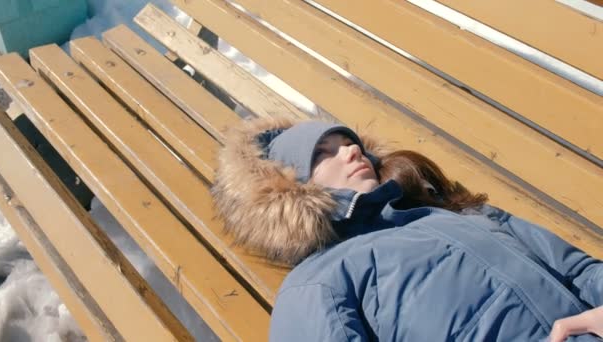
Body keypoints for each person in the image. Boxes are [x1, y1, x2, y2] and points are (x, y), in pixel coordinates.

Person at [212, 117, 603, 341]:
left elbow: (579, 269)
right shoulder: (317, 285)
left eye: (348, 142)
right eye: (322, 152)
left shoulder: (455, 212)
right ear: (290, 186)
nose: (349, 151)